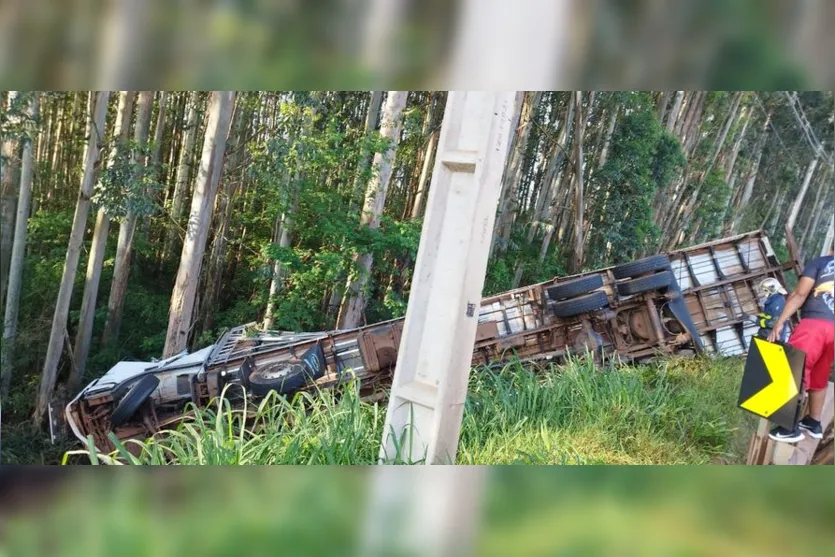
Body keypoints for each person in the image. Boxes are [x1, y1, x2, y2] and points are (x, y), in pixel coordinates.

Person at [767, 246, 834, 443]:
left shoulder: (820, 263)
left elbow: (799, 294)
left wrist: (779, 323)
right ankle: (813, 422)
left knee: (794, 367)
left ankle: (789, 427)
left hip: (814, 325)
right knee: (820, 373)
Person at [754, 278, 790, 343]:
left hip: (774, 339)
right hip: (768, 336)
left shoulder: (777, 302)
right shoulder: (772, 301)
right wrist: (759, 316)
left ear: (770, 289)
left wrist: (756, 320)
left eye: (764, 291)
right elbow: (769, 315)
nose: (763, 293)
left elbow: (773, 323)